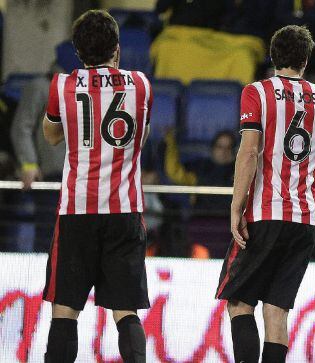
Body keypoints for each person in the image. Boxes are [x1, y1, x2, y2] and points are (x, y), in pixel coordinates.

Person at [214, 25, 315, 363]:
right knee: (277, 311)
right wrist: (299, 181)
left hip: (265, 213)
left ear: (272, 56)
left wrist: (236, 206)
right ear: (306, 59)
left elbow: (249, 152)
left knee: (240, 302)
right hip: (305, 218)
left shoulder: (257, 91)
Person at [41, 10, 153, 362]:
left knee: (65, 310)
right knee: (126, 311)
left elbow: (52, 136)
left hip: (77, 211)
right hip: (124, 210)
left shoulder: (62, 85)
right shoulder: (140, 84)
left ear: (77, 51)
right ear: (116, 50)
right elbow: (141, 137)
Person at [10, 69, 65, 252]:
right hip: (52, 178)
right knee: (48, 239)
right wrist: (29, 164)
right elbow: (21, 127)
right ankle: (46, 279)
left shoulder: (92, 88)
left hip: (82, 178)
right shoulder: (42, 86)